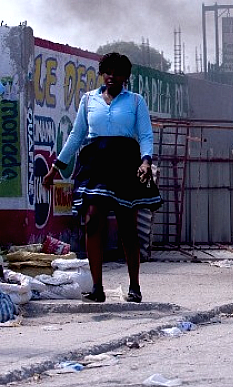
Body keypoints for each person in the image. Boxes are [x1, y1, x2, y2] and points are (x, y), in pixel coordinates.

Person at [43, 52, 161, 303]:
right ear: (102, 73)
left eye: (117, 72)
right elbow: (76, 136)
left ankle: (134, 286)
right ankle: (97, 288)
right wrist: (56, 168)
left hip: (125, 166)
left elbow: (146, 135)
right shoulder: (88, 100)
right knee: (93, 219)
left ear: (126, 77)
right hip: (95, 165)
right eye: (107, 71)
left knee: (127, 228)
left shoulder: (136, 102)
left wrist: (146, 161)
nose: (111, 76)